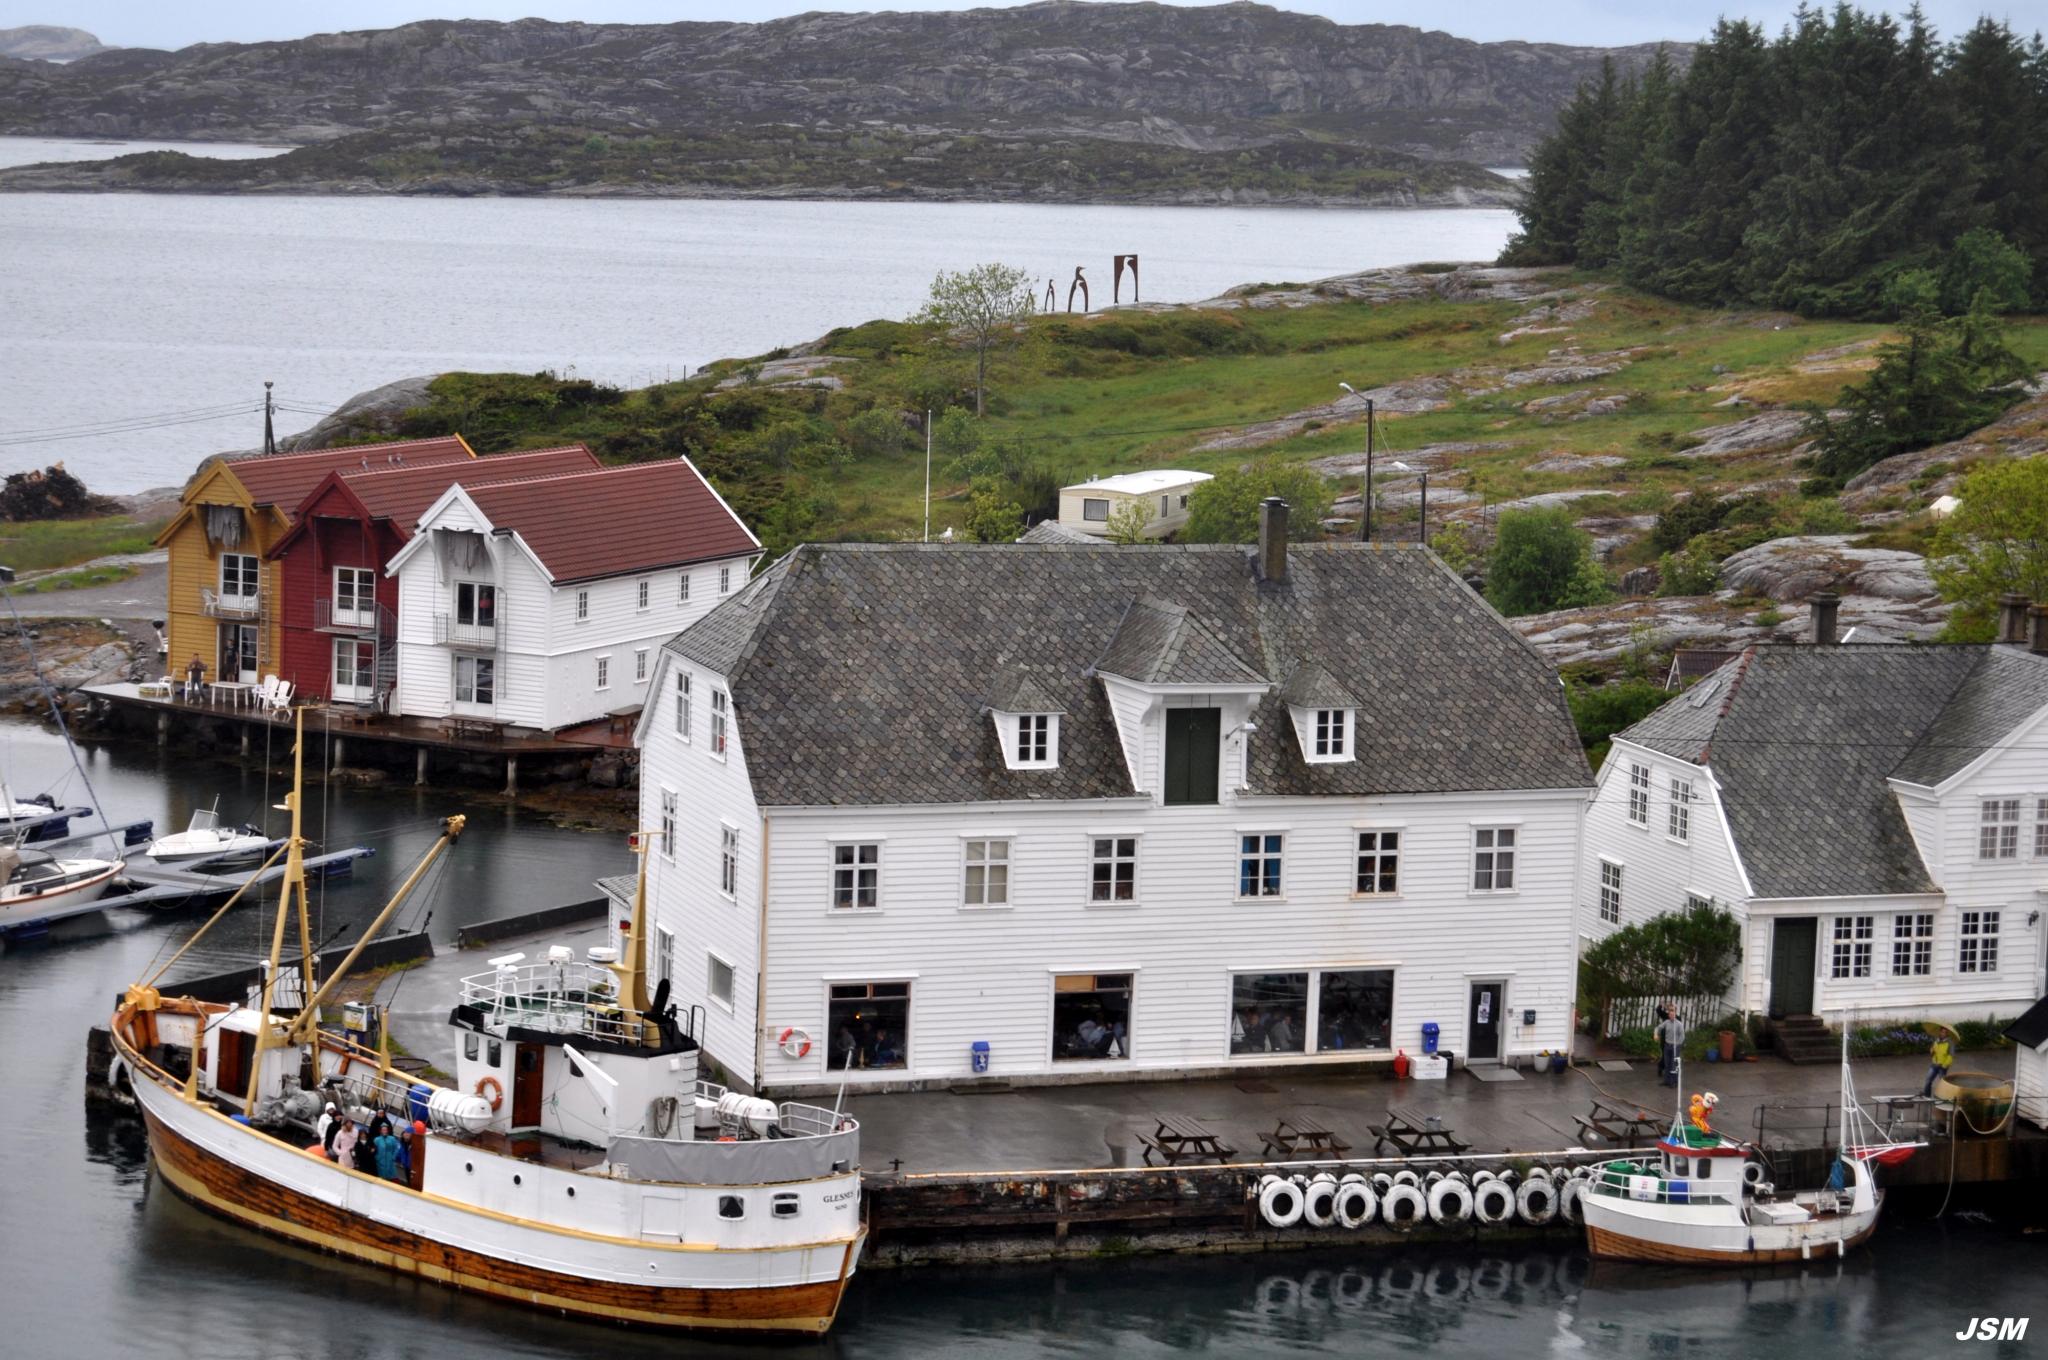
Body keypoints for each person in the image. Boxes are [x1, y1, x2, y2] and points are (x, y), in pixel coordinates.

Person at [1658, 1007, 1687, 1088]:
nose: (1671, 1016)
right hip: (1667, 1046)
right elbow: (1659, 1027)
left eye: (1673, 1014)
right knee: (1667, 1064)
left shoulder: (1679, 1024)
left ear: (1675, 1015)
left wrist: (1678, 1044)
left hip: (1675, 1047)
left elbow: (1682, 1036)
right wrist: (1656, 1033)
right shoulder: (1666, 1022)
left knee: (1673, 1064)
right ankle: (1666, 1081)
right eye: (1670, 1015)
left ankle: (1673, 1082)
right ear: (1669, 1015)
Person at [1923, 1031, 1954, 1098]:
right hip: (1934, 1064)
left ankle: (1944, 1097)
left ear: (1947, 1034)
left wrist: (1944, 1066)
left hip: (1942, 1067)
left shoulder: (1950, 1043)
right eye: (1941, 1032)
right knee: (1928, 1080)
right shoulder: (1936, 1041)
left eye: (1944, 1032)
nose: (1942, 1033)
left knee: (1943, 1084)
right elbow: (1932, 1052)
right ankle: (1926, 1096)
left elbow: (1950, 1056)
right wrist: (1932, 1050)